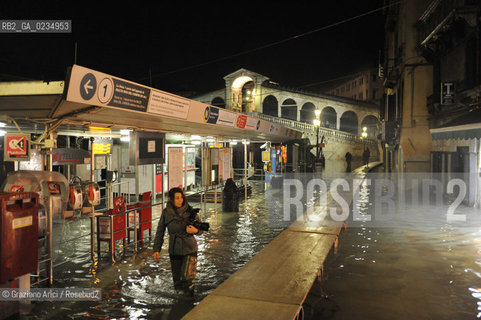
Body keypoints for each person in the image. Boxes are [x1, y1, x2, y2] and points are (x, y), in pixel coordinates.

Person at [153, 187, 203, 295]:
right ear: (171, 199)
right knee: (177, 282)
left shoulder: (190, 211)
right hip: (174, 249)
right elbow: (160, 231)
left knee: (187, 279)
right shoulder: (166, 213)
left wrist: (195, 230)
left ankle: (190, 302)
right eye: (177, 198)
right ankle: (179, 306)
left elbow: (202, 228)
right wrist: (156, 249)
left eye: (181, 198)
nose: (180, 200)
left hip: (189, 248)